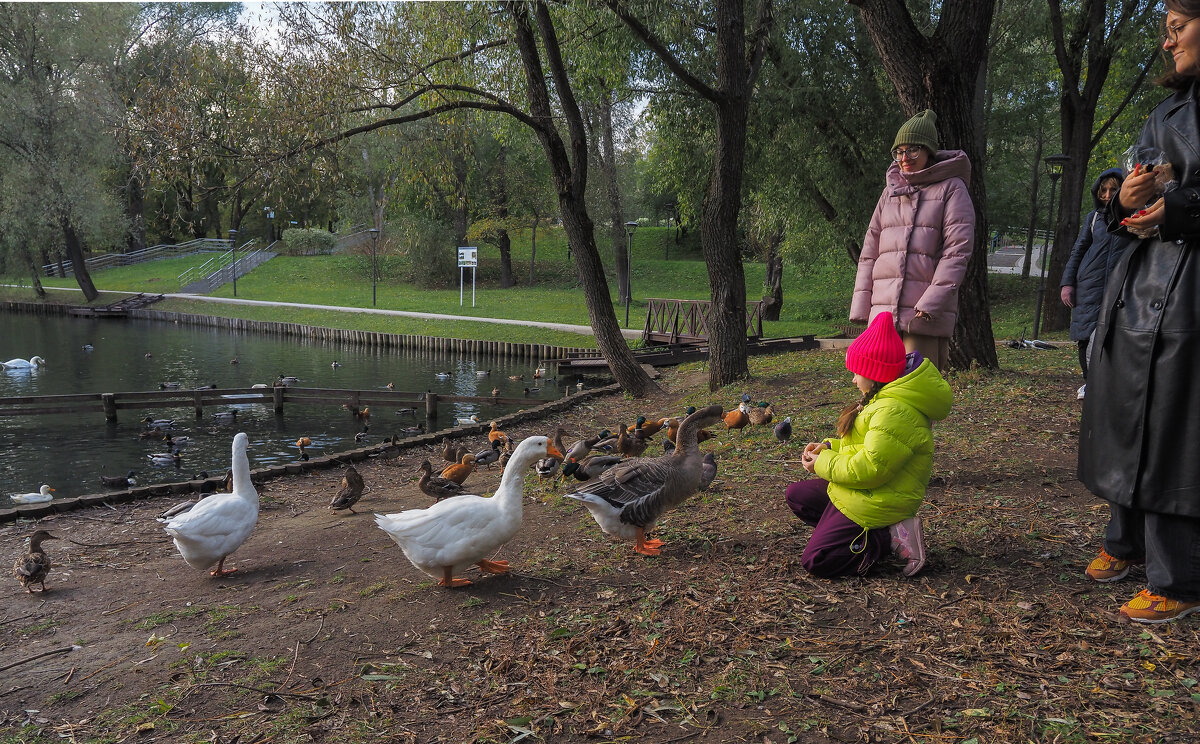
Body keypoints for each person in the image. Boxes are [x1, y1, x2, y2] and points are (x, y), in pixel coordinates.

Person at [1078, 0, 1200, 624]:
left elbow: (1185, 198)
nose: (1166, 43)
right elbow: (1131, 199)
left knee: (1175, 430)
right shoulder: (1165, 111)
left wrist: (1178, 209)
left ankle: (1176, 575)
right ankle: (1124, 543)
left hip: (1192, 290)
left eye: (1177, 28)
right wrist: (1124, 198)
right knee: (1131, 415)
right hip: (1141, 285)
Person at [784, 312, 952, 578]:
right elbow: (867, 447)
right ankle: (849, 535)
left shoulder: (894, 411)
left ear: (875, 374)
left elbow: (870, 468)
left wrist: (823, 463)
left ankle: (889, 537)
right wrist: (831, 448)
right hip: (870, 492)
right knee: (798, 496)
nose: (853, 379)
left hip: (880, 499)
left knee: (818, 560)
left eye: (856, 372)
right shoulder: (884, 398)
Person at [850, 109, 976, 370]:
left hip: (922, 315)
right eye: (899, 152)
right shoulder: (890, 192)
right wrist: (862, 305)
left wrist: (932, 301)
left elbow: (957, 251)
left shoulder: (952, 188)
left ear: (929, 150)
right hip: (882, 316)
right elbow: (870, 250)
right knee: (879, 386)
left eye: (913, 150)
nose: (905, 158)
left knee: (917, 389)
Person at [1059, 168, 1132, 400]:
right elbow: (1079, 249)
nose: (1108, 194)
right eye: (1104, 190)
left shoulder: (1137, 215)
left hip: (1121, 284)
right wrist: (1067, 283)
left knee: (1116, 335)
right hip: (1089, 283)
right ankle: (1090, 382)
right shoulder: (1093, 218)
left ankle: (1111, 385)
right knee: (1085, 333)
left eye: (1114, 189)